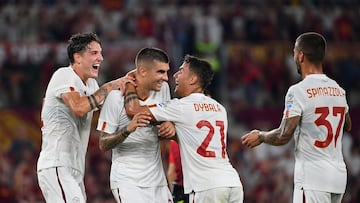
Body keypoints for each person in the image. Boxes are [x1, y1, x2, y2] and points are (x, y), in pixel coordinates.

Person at [241, 32, 352, 203]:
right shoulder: (338, 89)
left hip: (313, 176)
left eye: (294, 52)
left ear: (301, 55)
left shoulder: (298, 91)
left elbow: (283, 135)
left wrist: (261, 136)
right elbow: (347, 125)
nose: (293, 57)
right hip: (338, 176)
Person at [124, 54, 244, 203]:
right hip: (232, 182)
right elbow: (195, 136)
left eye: (181, 71)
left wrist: (129, 83)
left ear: (193, 80)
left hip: (206, 187)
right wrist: (173, 130)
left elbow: (133, 110)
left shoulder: (181, 106)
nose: (175, 75)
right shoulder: (220, 108)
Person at [36, 32, 132, 203]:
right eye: (94, 53)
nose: (101, 58)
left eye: (100, 53)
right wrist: (110, 86)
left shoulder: (91, 84)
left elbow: (115, 108)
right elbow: (79, 108)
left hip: (75, 169)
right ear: (77, 57)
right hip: (57, 163)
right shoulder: (64, 75)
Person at [96, 47, 175, 203]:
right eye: (160, 72)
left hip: (157, 180)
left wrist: (168, 124)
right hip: (128, 182)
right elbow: (103, 144)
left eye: (166, 72)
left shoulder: (163, 89)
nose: (165, 78)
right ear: (143, 71)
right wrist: (127, 130)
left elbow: (163, 118)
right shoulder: (115, 98)